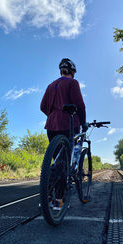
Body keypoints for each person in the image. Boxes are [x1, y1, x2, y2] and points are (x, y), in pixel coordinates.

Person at [40, 58, 86, 211]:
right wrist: (83, 122)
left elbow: (42, 107)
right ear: (72, 71)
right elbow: (79, 105)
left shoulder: (50, 85)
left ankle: (46, 195)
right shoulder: (73, 83)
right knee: (64, 163)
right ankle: (58, 200)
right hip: (68, 123)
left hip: (51, 126)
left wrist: (53, 114)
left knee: (56, 160)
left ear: (61, 70)